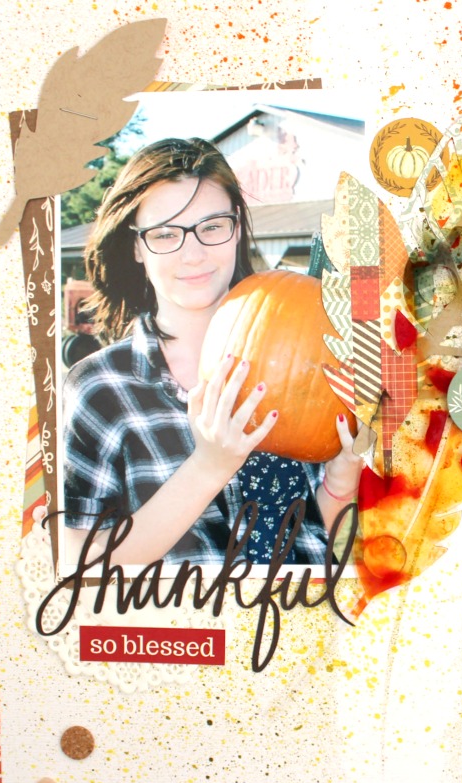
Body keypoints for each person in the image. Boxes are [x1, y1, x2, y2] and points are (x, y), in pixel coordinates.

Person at [62, 137, 361, 567]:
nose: (194, 253)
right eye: (165, 234)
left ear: (236, 227)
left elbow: (311, 543)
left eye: (212, 226)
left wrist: (340, 478)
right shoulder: (102, 388)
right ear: (136, 246)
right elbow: (83, 561)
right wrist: (209, 466)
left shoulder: (310, 354)